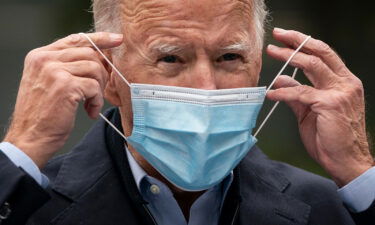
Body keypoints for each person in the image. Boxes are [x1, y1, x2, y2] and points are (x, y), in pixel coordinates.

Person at [0, 0, 374, 224]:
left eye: (229, 56)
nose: (206, 89)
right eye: (171, 58)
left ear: (258, 68)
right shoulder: (26, 205)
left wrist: (358, 171)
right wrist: (24, 146)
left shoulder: (326, 206)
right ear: (108, 77)